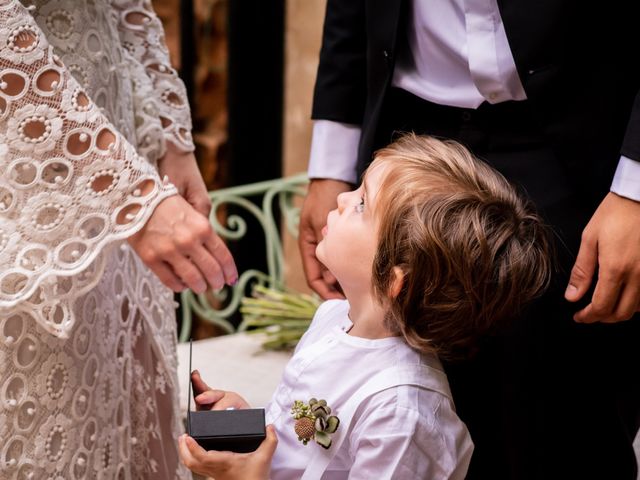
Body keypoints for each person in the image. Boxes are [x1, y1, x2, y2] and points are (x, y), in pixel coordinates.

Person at [298, 3, 640, 479]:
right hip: (410, 134)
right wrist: (333, 164)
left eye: (358, 204)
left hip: (579, 134)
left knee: (561, 416)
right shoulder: (328, 327)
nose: (344, 204)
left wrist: (636, 188)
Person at [178, 134, 552, 479]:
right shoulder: (333, 319)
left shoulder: (401, 416)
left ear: (394, 278)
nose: (341, 199)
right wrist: (253, 432)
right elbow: (302, 436)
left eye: (361, 204)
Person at [0, 1, 236, 478]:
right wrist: (124, 189)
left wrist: (173, 138)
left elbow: (128, 6)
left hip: (126, 147)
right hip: (30, 182)